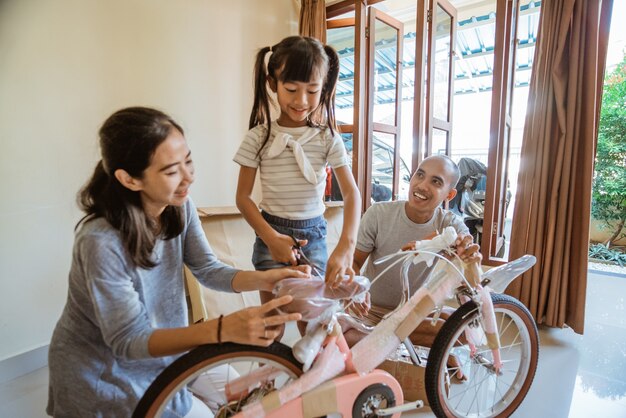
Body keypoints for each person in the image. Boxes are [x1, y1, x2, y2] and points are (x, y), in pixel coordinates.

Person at [46, 107, 310, 418]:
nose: (188, 178)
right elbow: (129, 341)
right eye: (171, 171)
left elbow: (207, 269)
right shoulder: (100, 242)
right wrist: (224, 328)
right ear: (129, 179)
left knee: (252, 398)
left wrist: (267, 279)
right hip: (106, 373)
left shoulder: (178, 208)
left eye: (188, 161)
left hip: (168, 349)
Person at [234, 36, 361, 317]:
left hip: (313, 237)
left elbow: (352, 194)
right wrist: (270, 237)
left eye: (313, 91)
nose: (301, 101)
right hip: (270, 235)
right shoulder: (258, 137)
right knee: (272, 321)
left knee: (312, 320)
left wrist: (346, 247)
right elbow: (242, 198)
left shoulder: (328, 138)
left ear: (324, 88)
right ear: (272, 84)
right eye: (291, 89)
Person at [345, 155, 482, 347]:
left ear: (449, 195)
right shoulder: (378, 214)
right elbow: (354, 262)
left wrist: (471, 259)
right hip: (370, 310)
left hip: (413, 314)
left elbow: (472, 280)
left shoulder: (450, 224)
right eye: (420, 175)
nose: (422, 186)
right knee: (342, 338)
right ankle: (394, 342)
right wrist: (355, 290)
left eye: (436, 182)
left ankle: (384, 342)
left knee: (467, 331)